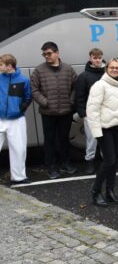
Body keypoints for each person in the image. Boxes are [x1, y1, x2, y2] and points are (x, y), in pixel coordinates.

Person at [30, 41, 77, 179]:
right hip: (48, 113)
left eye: (49, 53)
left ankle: (66, 163)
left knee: (64, 139)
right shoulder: (39, 70)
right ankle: (51, 167)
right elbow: (34, 89)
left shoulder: (68, 69)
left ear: (57, 53)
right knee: (49, 141)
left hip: (65, 112)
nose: (46, 56)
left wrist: (71, 101)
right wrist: (45, 102)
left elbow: (75, 86)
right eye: (44, 54)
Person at [86, 59, 118, 207]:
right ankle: (95, 191)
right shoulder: (100, 85)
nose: (115, 70)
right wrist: (97, 132)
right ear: (107, 69)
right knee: (109, 161)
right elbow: (92, 110)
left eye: (117, 68)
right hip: (105, 129)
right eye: (112, 67)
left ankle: (110, 191)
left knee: (114, 162)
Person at [0, 54, 32, 185]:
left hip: (17, 119)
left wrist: (20, 109)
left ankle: (19, 177)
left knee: (19, 149)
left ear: (9, 66)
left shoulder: (23, 80)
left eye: (1, 64)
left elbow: (28, 97)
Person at [75, 48, 106, 174]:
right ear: (90, 58)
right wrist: (83, 113)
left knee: (106, 139)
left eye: (99, 58)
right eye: (95, 58)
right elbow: (80, 96)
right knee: (91, 140)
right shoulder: (84, 76)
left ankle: (106, 161)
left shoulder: (107, 73)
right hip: (91, 114)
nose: (97, 60)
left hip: (106, 113)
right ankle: (89, 162)